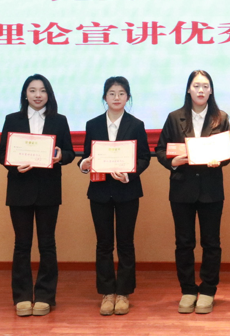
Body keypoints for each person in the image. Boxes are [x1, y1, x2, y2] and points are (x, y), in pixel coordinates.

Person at [0, 74, 75, 317]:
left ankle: (45, 296)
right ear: (25, 94)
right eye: (32, 90)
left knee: (47, 244)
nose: (38, 95)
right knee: (21, 245)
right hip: (19, 189)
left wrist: (60, 156)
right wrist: (14, 165)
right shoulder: (12, 119)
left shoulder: (59, 120)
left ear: (49, 94)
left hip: (48, 190)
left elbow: (70, 153)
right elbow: (1, 154)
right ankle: (21, 296)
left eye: (42, 90)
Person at [156, 70, 230, 314]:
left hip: (211, 189)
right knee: (184, 242)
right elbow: (160, 150)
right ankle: (188, 289)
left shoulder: (221, 117)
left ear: (211, 90)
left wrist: (220, 160)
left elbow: (227, 151)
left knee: (211, 242)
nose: (201, 90)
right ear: (188, 89)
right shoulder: (174, 117)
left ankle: (208, 290)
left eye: (205, 86)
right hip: (182, 189)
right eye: (196, 86)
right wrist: (173, 162)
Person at [79, 76, 151, 316]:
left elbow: (144, 158)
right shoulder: (93, 124)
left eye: (121, 93)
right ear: (105, 97)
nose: (117, 97)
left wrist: (129, 174)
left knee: (126, 243)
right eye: (112, 93)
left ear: (128, 97)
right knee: (103, 244)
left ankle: (123, 293)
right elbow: (85, 157)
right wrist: (84, 164)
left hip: (127, 191)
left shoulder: (136, 125)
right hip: (99, 192)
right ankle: (107, 292)